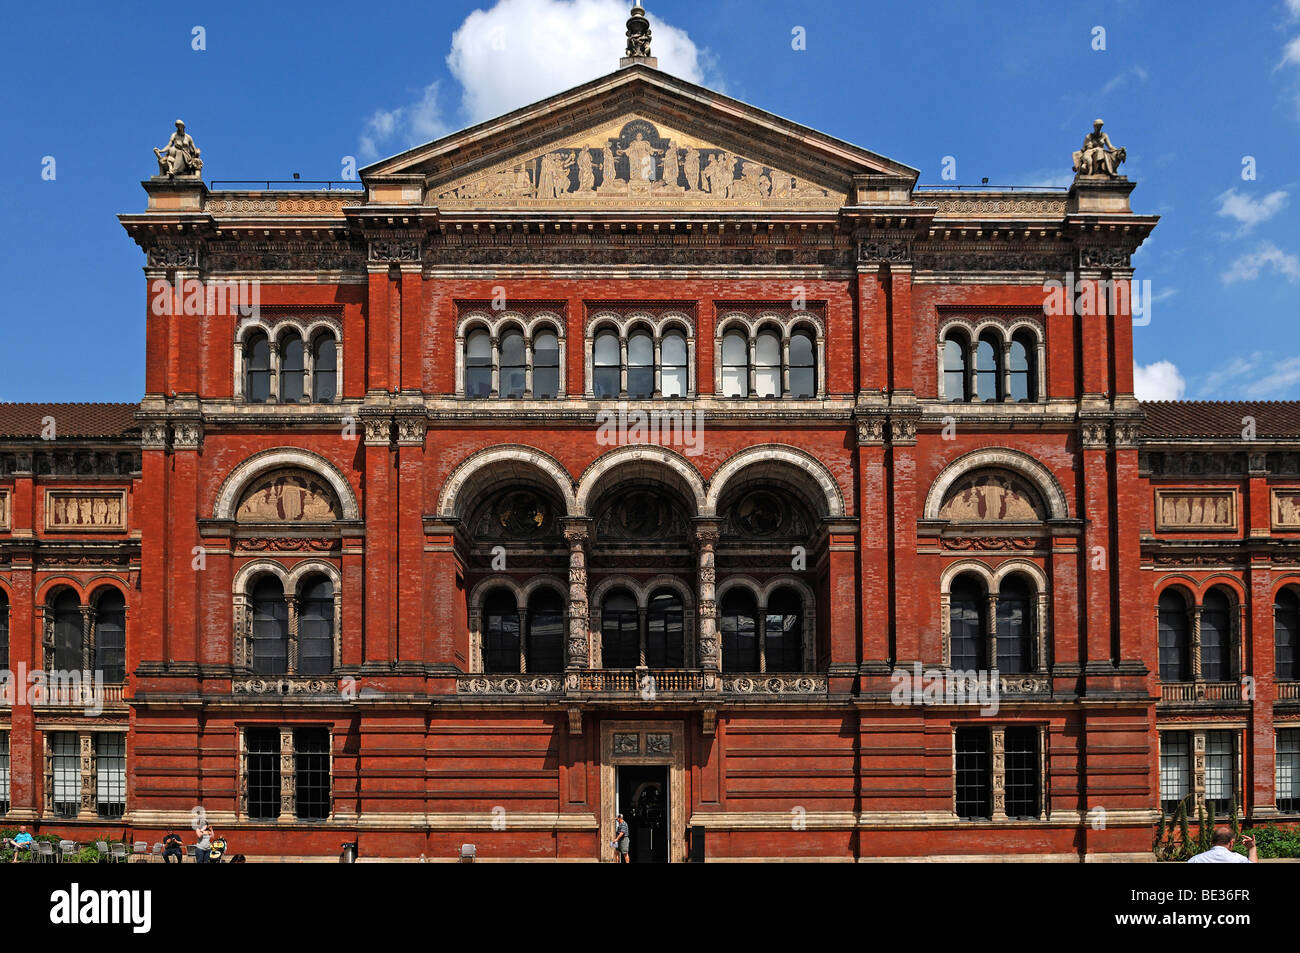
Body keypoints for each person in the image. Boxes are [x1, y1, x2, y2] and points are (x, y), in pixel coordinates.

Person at [1188, 827, 1255, 863]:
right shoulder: (1239, 859)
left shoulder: (1196, 860)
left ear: (1212, 841)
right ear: (1231, 842)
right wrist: (1252, 848)